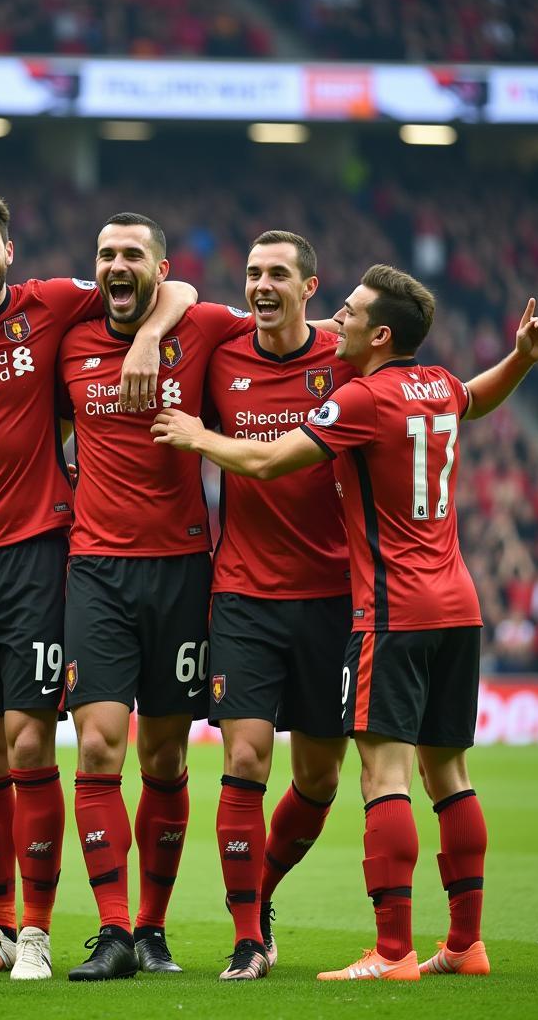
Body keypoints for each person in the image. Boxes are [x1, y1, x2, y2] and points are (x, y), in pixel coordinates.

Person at [153, 264, 538, 981]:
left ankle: (393, 951)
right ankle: (465, 944)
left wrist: (196, 436)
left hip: (392, 609)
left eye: (348, 311)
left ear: (378, 334)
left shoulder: (363, 398)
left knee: (383, 777)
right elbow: (476, 398)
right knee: (451, 775)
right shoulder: (433, 382)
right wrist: (521, 359)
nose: (335, 320)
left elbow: (274, 461)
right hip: (459, 605)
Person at [0, 184, 197, 980]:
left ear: (9, 251)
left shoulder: (54, 305)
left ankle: (37, 933)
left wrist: (151, 335)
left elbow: (177, 287)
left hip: (42, 552)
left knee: (31, 743)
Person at [58, 213, 254, 981]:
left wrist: (152, 336)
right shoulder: (67, 334)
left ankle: (152, 929)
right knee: (100, 745)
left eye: (132, 255)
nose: (116, 265)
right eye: (105, 253)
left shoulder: (197, 325)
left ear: (158, 266)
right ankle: (110, 932)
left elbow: (203, 298)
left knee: (165, 756)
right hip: (97, 569)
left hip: (180, 570)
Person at [202, 231, 355, 980]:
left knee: (320, 779)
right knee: (244, 756)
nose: (262, 285)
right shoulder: (222, 352)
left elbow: (437, 395)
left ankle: (260, 893)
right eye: (253, 272)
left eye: (277, 275)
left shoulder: (343, 357)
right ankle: (245, 938)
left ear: (310, 287)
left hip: (333, 599)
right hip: (243, 594)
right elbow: (169, 306)